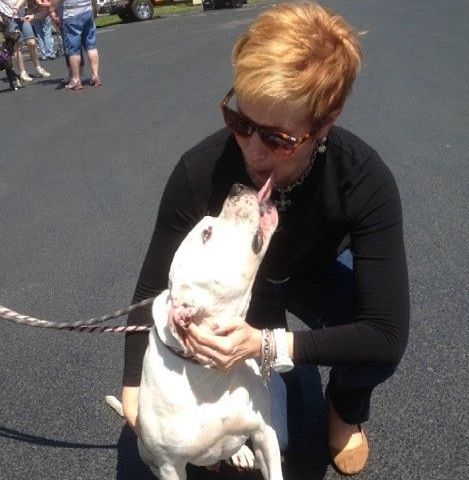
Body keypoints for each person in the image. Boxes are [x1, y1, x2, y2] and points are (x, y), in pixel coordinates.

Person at [121, 2, 410, 476]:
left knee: (372, 351)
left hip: (309, 277)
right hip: (245, 296)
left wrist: (267, 347)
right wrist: (134, 383)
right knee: (280, 436)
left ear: (325, 124)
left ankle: (344, 404)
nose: (251, 151)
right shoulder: (200, 171)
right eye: (240, 121)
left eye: (277, 138)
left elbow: (386, 332)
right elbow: (155, 284)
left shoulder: (363, 180)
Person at [49, 0, 101, 90]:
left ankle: (76, 80)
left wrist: (52, 10)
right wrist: (94, 8)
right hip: (87, 11)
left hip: (71, 14)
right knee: (91, 46)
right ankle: (95, 76)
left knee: (73, 50)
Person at [0, 0, 50, 81]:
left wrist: (16, 7)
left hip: (23, 15)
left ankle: (38, 68)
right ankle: (23, 72)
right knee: (17, 46)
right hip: (9, 18)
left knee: (32, 43)